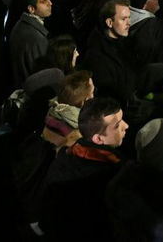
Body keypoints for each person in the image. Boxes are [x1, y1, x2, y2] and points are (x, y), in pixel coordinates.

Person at [39, 95, 126, 242]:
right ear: (98, 139)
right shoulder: (113, 176)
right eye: (117, 125)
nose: (126, 125)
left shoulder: (65, 157)